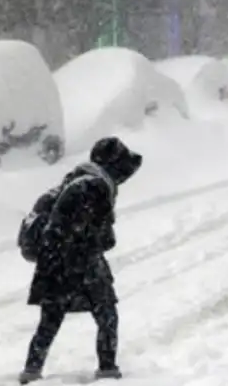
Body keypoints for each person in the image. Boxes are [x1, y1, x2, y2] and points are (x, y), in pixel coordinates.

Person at [18, 136, 142, 385]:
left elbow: (57, 227)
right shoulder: (97, 187)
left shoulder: (73, 180)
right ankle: (107, 370)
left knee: (50, 320)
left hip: (52, 264)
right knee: (107, 313)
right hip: (81, 264)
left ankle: (31, 371)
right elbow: (105, 239)